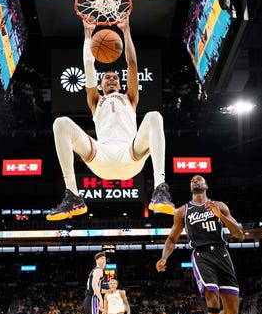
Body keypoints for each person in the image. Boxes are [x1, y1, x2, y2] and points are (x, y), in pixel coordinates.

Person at [48, 15, 174, 220]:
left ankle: (160, 188)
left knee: (153, 116)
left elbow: (132, 62)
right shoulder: (95, 100)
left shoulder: (130, 99)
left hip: (129, 153)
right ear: (100, 85)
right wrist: (88, 34)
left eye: (115, 78)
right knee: (60, 123)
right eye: (108, 78)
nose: (112, 80)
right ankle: (73, 196)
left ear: (120, 83)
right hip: (102, 156)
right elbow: (89, 66)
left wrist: (126, 30)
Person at [156, 175, 244, 314]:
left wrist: (220, 216)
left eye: (199, 179)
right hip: (201, 254)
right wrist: (164, 257)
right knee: (212, 299)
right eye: (192, 180)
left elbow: (239, 232)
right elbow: (171, 239)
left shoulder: (219, 205)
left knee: (232, 310)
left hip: (222, 254)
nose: (196, 180)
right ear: (190, 188)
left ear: (206, 185)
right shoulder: (182, 211)